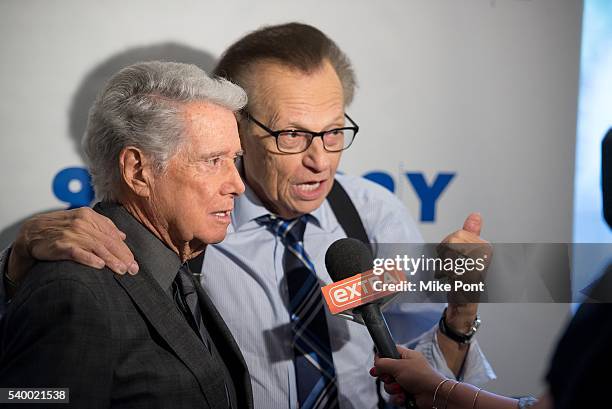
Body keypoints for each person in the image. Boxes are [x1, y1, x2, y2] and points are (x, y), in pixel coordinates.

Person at [0, 23, 494, 408]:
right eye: (292, 135)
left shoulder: (373, 213)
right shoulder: (171, 237)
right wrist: (14, 266)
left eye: (333, 132)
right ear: (241, 129)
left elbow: (424, 379)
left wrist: (461, 312)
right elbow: (33, 390)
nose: (320, 160)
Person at [0, 61, 253, 409]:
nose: (237, 185)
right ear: (138, 171)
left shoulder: (177, 266)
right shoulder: (74, 290)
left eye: (234, 159)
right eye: (212, 161)